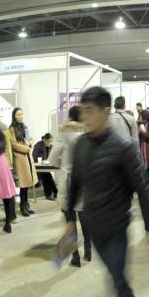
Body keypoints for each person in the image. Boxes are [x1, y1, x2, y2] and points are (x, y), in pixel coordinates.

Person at [62, 86, 149, 297]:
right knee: (116, 278)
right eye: (83, 111)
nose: (85, 116)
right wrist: (70, 218)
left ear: (106, 112)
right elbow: (75, 182)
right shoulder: (81, 144)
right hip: (93, 224)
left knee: (116, 283)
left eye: (90, 111)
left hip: (116, 226)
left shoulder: (123, 147)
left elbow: (141, 188)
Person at [49, 106, 90, 267]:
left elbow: (53, 158)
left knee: (70, 218)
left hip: (68, 179)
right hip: (85, 177)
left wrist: (62, 163)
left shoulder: (64, 134)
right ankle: (88, 250)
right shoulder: (88, 133)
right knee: (85, 215)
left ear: (70, 118)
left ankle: (75, 256)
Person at [8, 108, 37, 217]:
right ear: (14, 116)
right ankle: (22, 206)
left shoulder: (25, 126)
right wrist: (26, 148)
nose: (20, 116)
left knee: (27, 184)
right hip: (20, 159)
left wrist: (30, 143)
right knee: (23, 185)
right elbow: (13, 144)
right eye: (18, 115)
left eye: (21, 114)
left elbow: (31, 138)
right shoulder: (12, 129)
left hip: (27, 158)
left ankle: (26, 204)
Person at [32, 133, 58, 200]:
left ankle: (55, 192)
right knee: (46, 175)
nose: (50, 143)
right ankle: (49, 194)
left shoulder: (50, 146)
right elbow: (34, 157)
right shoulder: (38, 145)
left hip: (45, 166)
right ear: (44, 140)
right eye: (49, 141)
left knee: (47, 175)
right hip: (37, 167)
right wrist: (42, 161)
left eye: (51, 141)